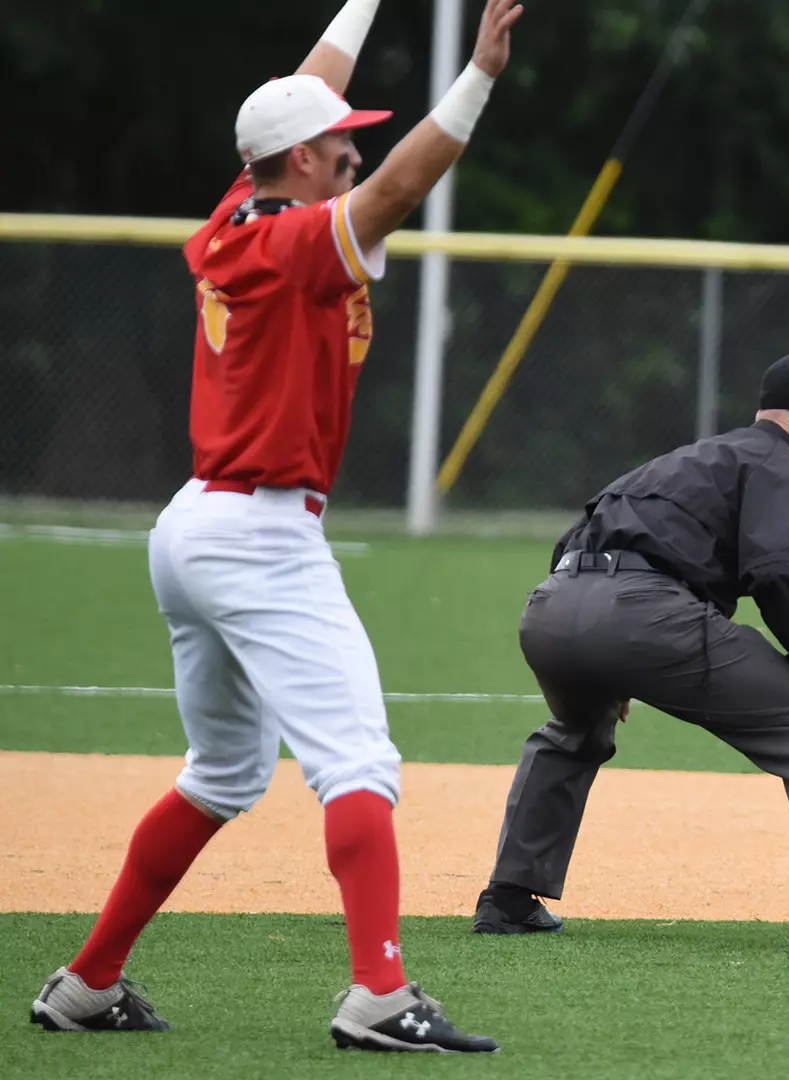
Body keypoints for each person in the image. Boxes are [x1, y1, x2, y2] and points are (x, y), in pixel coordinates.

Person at [29, 0, 523, 1052]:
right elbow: (399, 189)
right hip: (259, 535)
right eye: (339, 142)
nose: (355, 150)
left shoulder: (238, 214)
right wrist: (479, 73)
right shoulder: (298, 244)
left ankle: (86, 983)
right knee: (359, 763)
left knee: (220, 776)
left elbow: (305, 94)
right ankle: (380, 995)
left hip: (197, 526)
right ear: (301, 162)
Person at [472, 349, 789, 954]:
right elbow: (783, 575)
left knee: (575, 731)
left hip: (553, 610)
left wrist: (604, 657)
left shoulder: (687, 459)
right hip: (639, 615)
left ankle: (508, 899)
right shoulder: (782, 466)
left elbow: (578, 536)